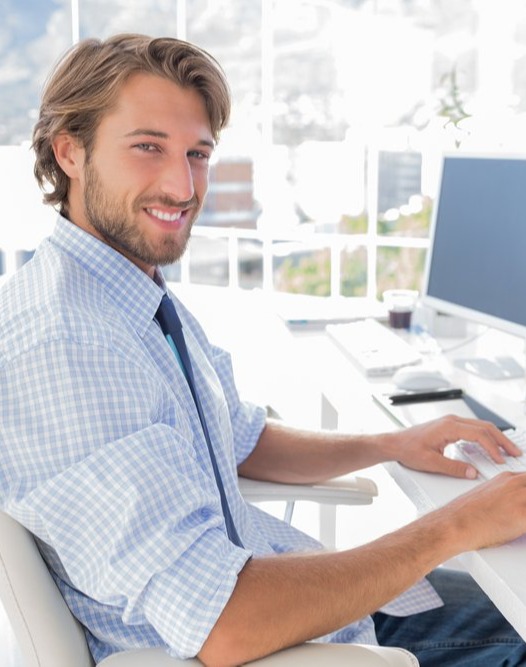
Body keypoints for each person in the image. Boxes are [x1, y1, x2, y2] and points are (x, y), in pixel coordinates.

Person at [1, 33, 526, 667]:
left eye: (197, 153)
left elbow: (238, 436)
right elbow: (223, 624)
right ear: (70, 153)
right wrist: (456, 526)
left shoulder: (122, 290)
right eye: (147, 147)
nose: (182, 185)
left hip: (285, 595)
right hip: (271, 639)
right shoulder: (72, 343)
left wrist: (388, 445)